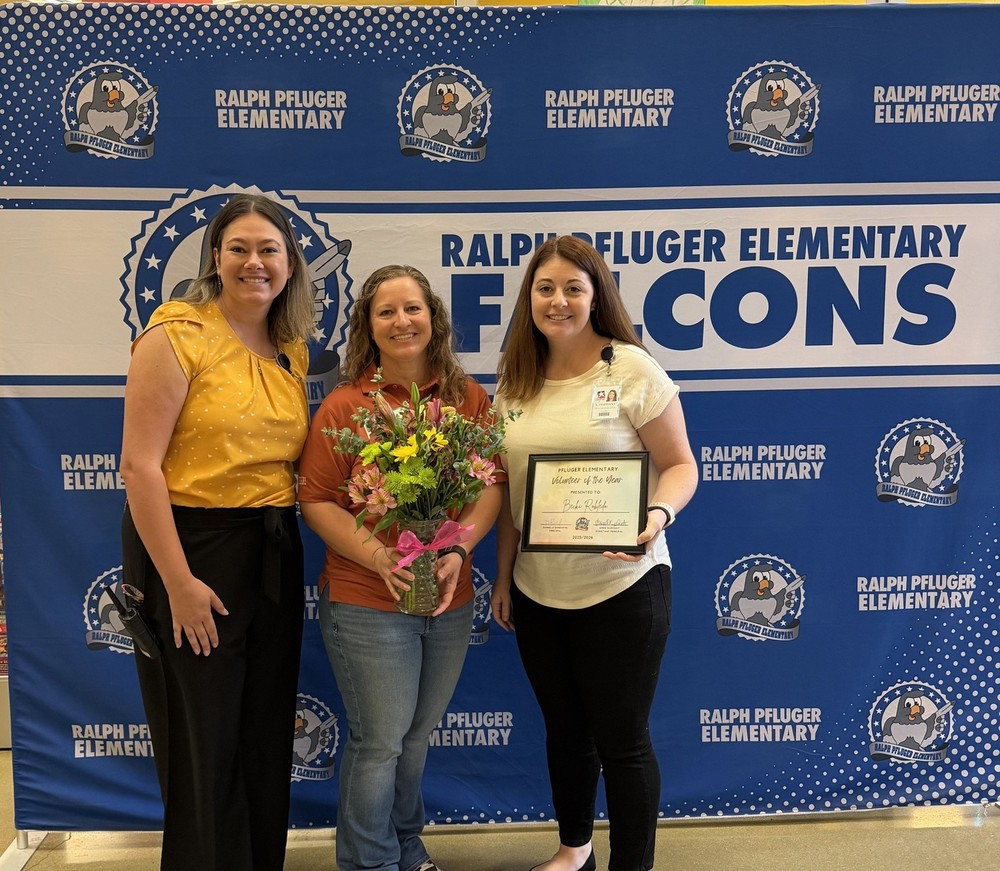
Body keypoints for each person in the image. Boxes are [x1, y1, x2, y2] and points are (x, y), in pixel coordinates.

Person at [120, 193, 315, 871]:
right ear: (214, 257)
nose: (254, 262)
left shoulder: (290, 348)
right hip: (190, 550)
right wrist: (177, 582)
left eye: (270, 249)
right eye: (239, 248)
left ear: (290, 264)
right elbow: (139, 466)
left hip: (271, 549)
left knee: (263, 733)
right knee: (206, 739)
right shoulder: (175, 333)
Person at [491, 236, 698, 871]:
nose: (558, 301)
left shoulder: (633, 369)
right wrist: (503, 579)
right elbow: (509, 494)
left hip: (624, 585)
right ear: (529, 299)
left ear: (596, 296)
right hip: (537, 587)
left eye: (573, 289)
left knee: (623, 740)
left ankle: (630, 863)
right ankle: (573, 847)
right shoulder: (514, 381)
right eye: (545, 289)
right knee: (565, 732)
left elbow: (681, 466)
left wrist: (656, 514)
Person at [297, 265, 504, 871]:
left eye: (412, 308)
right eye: (385, 312)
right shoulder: (344, 406)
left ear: (433, 318)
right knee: (380, 742)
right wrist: (380, 556)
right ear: (367, 326)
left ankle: (405, 844)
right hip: (367, 598)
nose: (401, 321)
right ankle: (369, 861)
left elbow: (490, 484)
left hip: (448, 595)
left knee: (414, 741)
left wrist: (458, 550)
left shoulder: (467, 399)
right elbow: (315, 500)